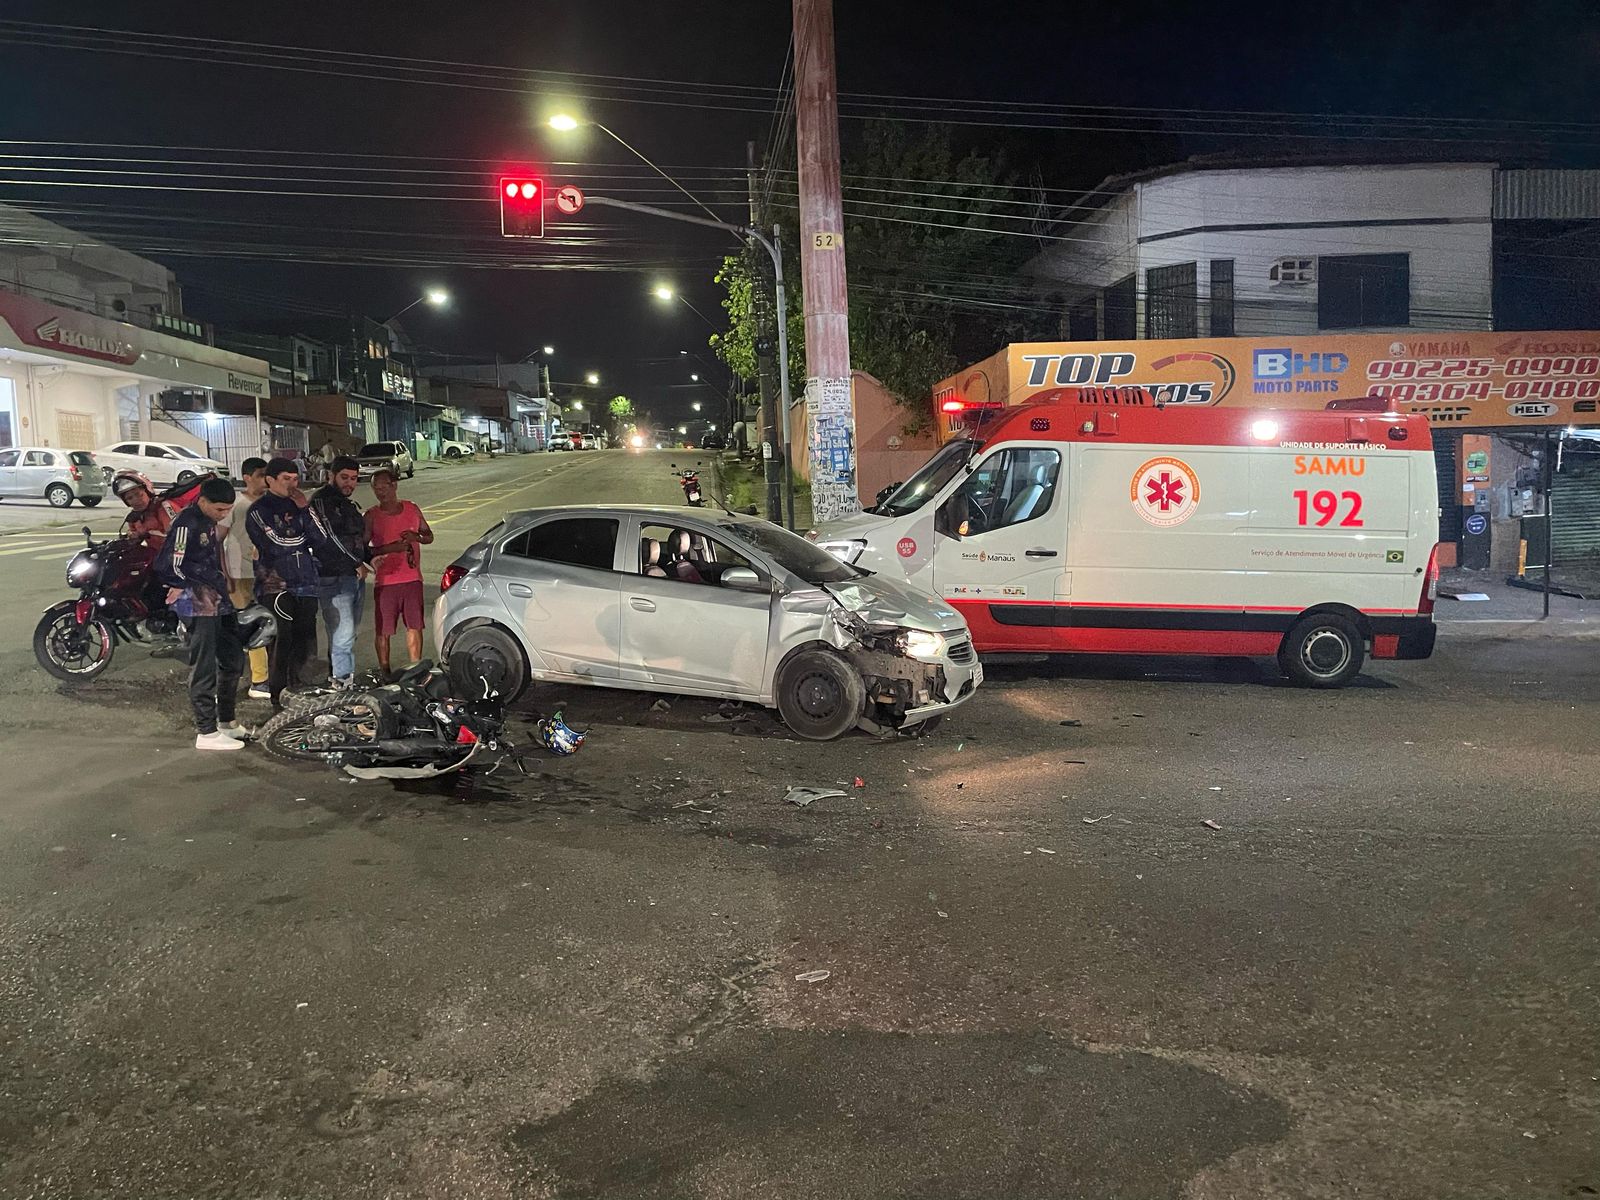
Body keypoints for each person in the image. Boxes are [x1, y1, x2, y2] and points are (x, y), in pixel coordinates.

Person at [154, 477, 247, 751]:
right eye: (219, 510)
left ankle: (226, 721)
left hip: (218, 598)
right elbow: (172, 565)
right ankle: (206, 732)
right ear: (203, 501)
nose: (224, 515)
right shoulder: (186, 523)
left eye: (228, 510)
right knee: (204, 665)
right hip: (196, 601)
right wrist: (185, 584)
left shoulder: (207, 521)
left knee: (232, 659)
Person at [247, 456, 341, 708]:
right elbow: (275, 544)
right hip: (276, 585)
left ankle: (301, 689)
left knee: (306, 638)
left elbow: (321, 538)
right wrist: (303, 542)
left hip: (306, 584)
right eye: (286, 479)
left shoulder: (300, 506)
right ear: (270, 480)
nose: (292, 484)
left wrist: (305, 509)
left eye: (295, 479)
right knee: (281, 640)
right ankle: (278, 696)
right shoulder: (259, 511)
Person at [310, 455, 372, 687]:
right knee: (342, 636)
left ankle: (340, 680)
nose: (349, 483)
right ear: (331, 476)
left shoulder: (347, 504)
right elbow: (329, 538)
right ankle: (342, 686)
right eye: (344, 477)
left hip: (352, 578)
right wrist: (355, 563)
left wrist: (372, 558)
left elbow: (356, 540)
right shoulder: (321, 501)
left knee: (347, 635)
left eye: (354, 479)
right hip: (333, 578)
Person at [365, 468, 433, 677]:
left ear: (394, 485)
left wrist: (416, 537)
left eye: (384, 487)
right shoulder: (371, 516)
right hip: (385, 581)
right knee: (384, 630)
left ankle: (416, 670)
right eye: (376, 489)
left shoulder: (412, 509)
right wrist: (389, 549)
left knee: (414, 627)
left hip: (412, 578)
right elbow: (363, 550)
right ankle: (385, 671)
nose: (380, 492)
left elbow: (429, 535)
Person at [223, 457, 272, 700]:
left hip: (265, 573)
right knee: (253, 625)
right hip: (239, 574)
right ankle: (259, 681)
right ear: (247, 477)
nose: (266, 480)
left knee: (267, 623)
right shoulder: (235, 504)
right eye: (261, 475)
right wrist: (225, 575)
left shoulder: (269, 504)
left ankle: (264, 675)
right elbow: (216, 539)